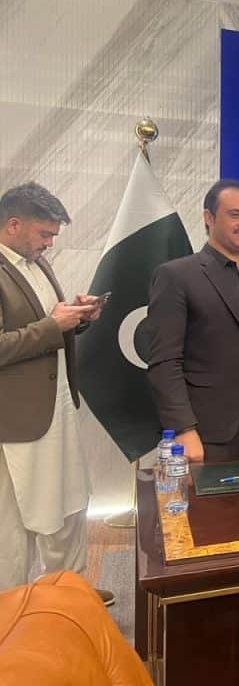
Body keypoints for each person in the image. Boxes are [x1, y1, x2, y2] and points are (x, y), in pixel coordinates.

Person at [0, 182, 110, 602]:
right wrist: (53, 326)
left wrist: (77, 318)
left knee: (69, 503)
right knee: (14, 525)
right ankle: (13, 611)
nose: (49, 243)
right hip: (17, 424)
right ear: (13, 225)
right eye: (44, 234)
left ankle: (70, 595)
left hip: (57, 409)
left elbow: (47, 327)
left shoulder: (37, 262)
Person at [147, 179, 239, 461]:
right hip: (204, 432)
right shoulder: (176, 276)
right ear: (209, 218)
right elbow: (165, 361)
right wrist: (183, 428)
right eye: (235, 215)